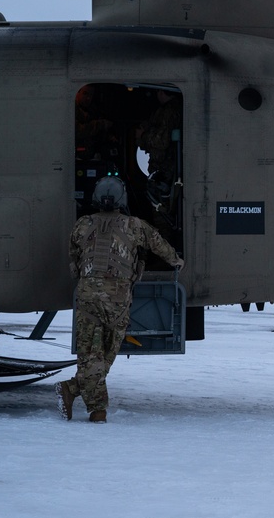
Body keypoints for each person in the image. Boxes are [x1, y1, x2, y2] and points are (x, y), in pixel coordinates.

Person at [55, 176, 184, 423]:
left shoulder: (82, 224)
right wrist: (177, 261)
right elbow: (159, 245)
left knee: (91, 355)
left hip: (88, 297)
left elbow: (73, 259)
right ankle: (97, 412)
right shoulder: (134, 226)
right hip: (117, 300)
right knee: (105, 355)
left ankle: (72, 390)